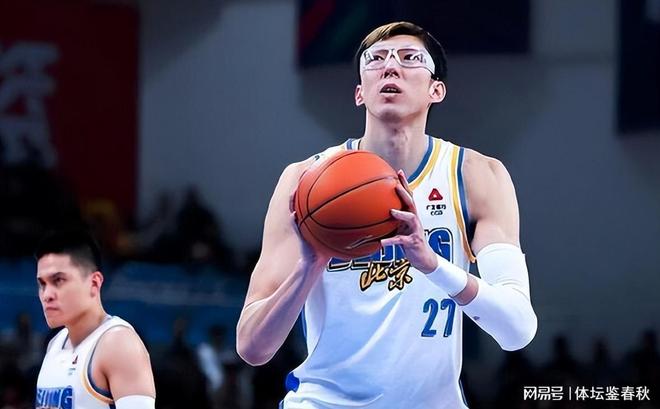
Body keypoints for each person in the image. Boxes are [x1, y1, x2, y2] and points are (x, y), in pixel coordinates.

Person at [236, 21, 537, 408]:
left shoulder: (476, 176)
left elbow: (517, 330)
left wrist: (433, 265)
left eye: (410, 58)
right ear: (359, 92)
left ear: (436, 90)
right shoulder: (304, 182)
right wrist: (309, 267)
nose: (391, 66)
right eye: (376, 59)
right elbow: (252, 347)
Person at [34, 229, 156, 408]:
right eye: (42, 284)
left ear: (94, 283)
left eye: (58, 280)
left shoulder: (118, 344)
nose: (47, 295)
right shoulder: (55, 343)